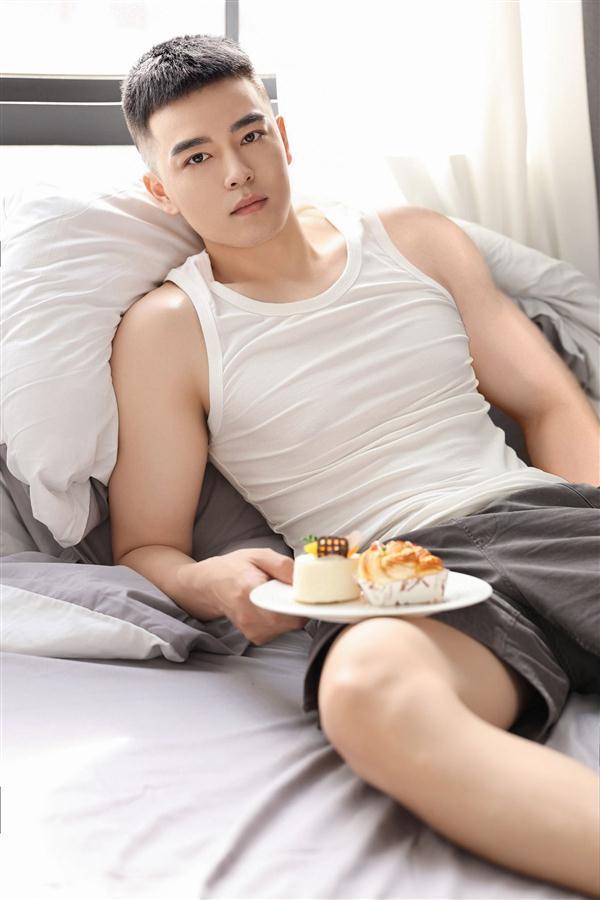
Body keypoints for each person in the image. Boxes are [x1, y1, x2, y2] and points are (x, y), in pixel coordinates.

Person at [110, 33, 600, 897]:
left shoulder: (415, 241)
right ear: (160, 188)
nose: (237, 171)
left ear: (282, 136)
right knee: (367, 695)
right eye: (197, 155)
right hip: (394, 578)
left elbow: (552, 403)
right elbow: (146, 545)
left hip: (541, 513)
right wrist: (214, 583)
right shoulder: (168, 331)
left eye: (250, 134)